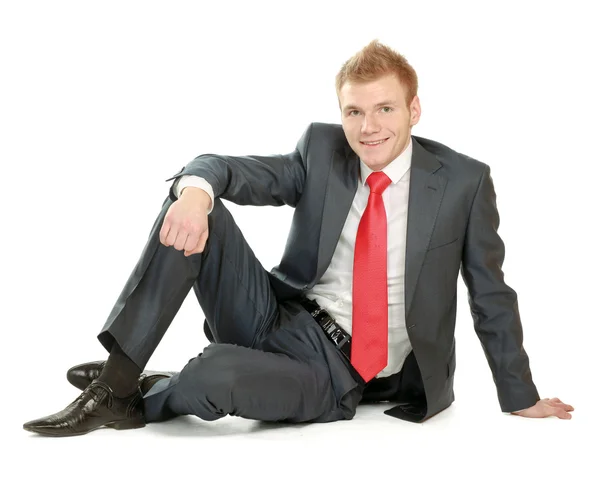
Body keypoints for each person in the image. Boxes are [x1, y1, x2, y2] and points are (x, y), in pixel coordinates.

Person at [23, 40, 574, 437]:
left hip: (333, 373)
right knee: (193, 209)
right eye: (354, 111)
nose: (369, 127)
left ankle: (148, 392)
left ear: (414, 109)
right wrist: (195, 191)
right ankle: (117, 384)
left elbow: (490, 292)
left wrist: (519, 395)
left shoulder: (463, 181)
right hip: (275, 315)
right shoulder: (322, 152)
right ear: (342, 113)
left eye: (385, 108)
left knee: (216, 372)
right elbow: (226, 168)